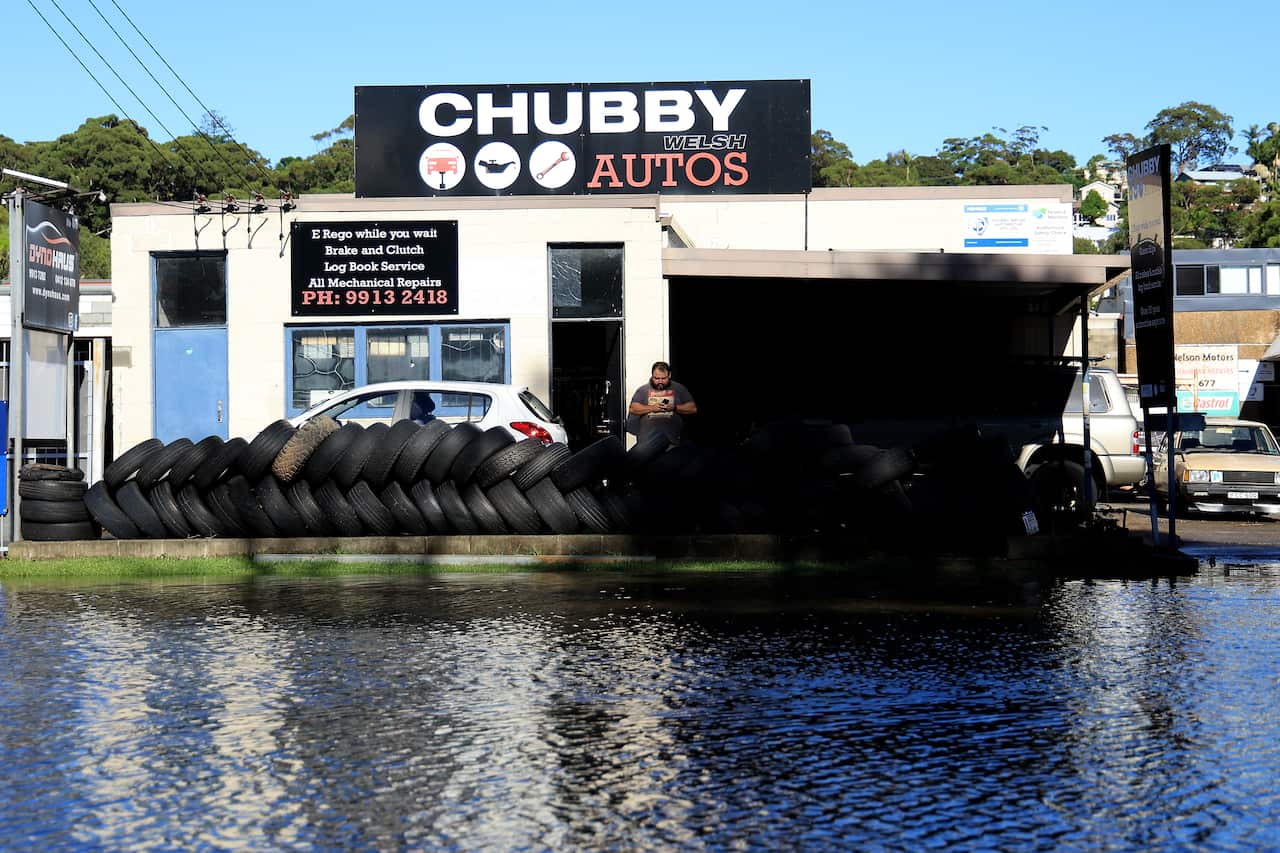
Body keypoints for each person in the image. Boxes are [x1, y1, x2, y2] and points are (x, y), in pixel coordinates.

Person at [628, 361, 697, 445]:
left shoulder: (679, 389)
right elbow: (633, 408)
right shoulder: (643, 390)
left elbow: (692, 408)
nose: (660, 381)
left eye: (663, 378)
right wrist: (652, 408)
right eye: (656, 378)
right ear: (652, 376)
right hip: (647, 441)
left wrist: (674, 407)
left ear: (669, 375)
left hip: (673, 441)